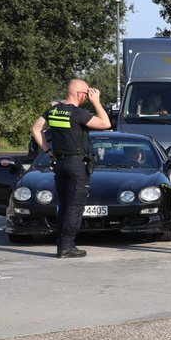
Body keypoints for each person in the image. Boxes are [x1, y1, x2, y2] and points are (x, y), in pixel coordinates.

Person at [29, 79, 113, 258]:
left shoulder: (53, 111)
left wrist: (49, 151)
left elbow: (36, 129)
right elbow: (106, 123)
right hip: (76, 165)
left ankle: (62, 245)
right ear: (79, 94)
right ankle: (67, 247)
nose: (87, 98)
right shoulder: (78, 114)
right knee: (74, 207)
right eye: (86, 94)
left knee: (65, 205)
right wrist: (96, 102)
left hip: (60, 163)